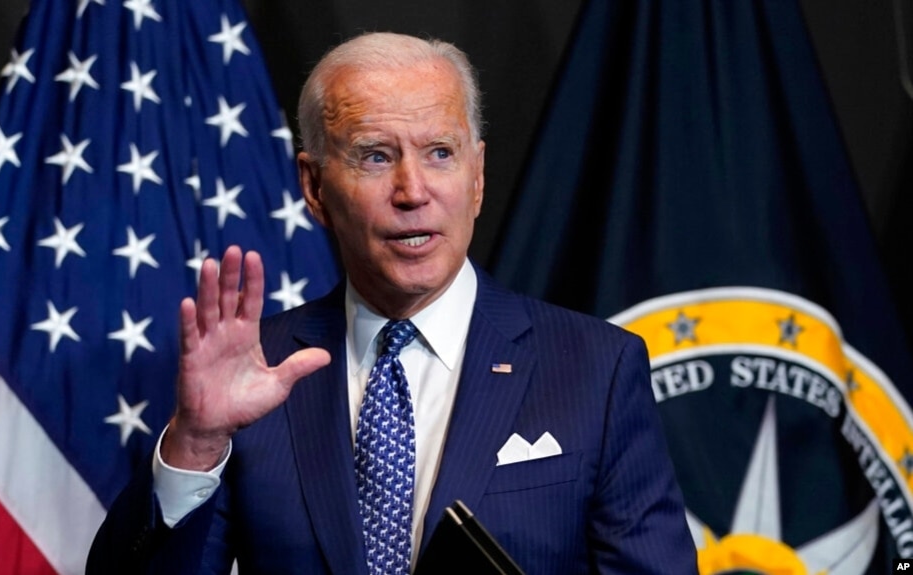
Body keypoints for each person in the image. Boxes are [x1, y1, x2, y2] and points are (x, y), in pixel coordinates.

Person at [87, 31, 698, 574]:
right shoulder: (254, 373)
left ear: (478, 175)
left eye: (440, 152)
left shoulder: (597, 369)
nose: (413, 191)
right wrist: (196, 445)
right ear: (315, 186)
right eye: (375, 156)